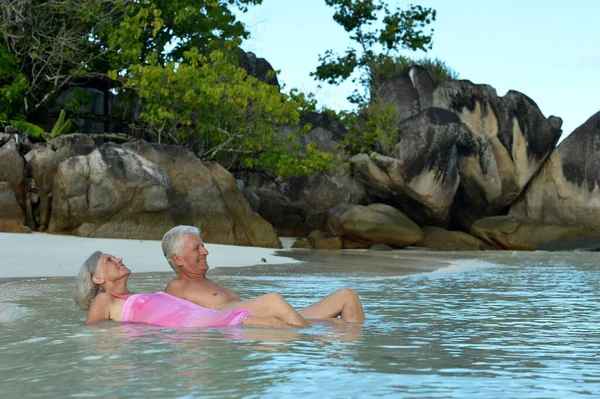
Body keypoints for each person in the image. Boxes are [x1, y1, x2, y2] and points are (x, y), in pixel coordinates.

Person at [162, 226, 365, 324]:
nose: (205, 252)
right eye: (197, 248)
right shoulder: (176, 288)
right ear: (178, 259)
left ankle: (355, 368)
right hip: (265, 319)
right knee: (273, 300)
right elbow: (165, 317)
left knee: (347, 296)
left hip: (280, 317)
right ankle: (311, 344)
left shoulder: (209, 284)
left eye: (203, 247)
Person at [74, 251, 295, 329]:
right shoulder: (104, 300)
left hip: (206, 320)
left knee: (277, 322)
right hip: (196, 327)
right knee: (275, 324)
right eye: (109, 260)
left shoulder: (135, 295)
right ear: (98, 278)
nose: (119, 259)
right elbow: (95, 333)